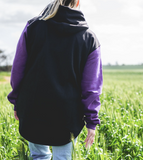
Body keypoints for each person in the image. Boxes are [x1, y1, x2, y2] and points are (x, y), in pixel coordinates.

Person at [7, 0, 103, 159]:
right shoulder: (90, 38)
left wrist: (17, 101)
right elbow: (91, 87)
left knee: (38, 156)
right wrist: (91, 122)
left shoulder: (33, 27)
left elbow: (18, 69)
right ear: (77, 2)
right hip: (67, 114)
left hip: (32, 107)